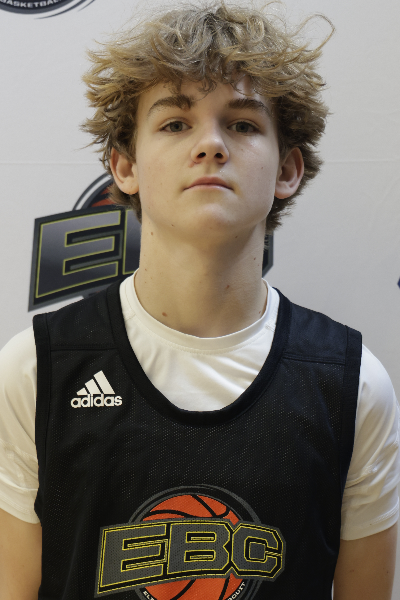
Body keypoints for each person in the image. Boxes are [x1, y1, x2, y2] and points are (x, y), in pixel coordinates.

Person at [0, 2, 399, 599]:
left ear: (287, 170)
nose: (210, 144)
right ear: (125, 167)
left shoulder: (352, 383)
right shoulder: (38, 368)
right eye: (175, 123)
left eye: (242, 124)